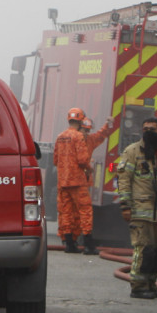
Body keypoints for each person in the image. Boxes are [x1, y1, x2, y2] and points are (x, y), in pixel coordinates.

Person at [115, 117, 157, 299]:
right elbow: (124, 181)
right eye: (145, 129)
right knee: (144, 249)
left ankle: (151, 284)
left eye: (152, 129)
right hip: (140, 210)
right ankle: (138, 286)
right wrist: (125, 206)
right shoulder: (132, 152)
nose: (149, 132)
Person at [52, 107, 94, 254]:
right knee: (85, 211)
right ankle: (88, 245)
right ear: (81, 120)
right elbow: (82, 160)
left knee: (66, 212)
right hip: (77, 181)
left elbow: (55, 160)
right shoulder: (78, 137)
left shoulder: (60, 136)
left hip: (63, 181)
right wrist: (89, 168)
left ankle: (69, 244)